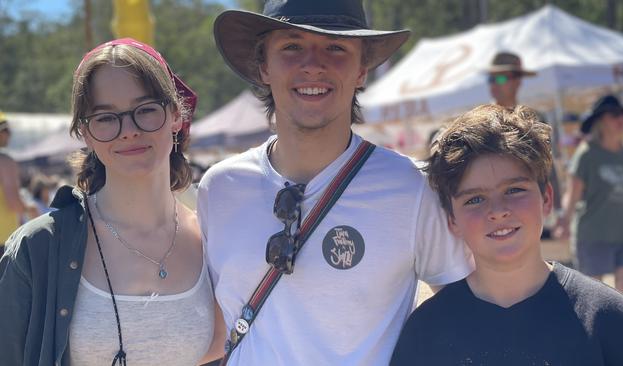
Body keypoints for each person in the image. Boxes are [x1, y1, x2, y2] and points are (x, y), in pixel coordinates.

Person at [198, 1, 474, 365]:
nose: (313, 64)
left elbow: (460, 312)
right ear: (264, 66)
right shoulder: (219, 189)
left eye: (336, 47)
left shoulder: (412, 188)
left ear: (362, 70)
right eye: (292, 47)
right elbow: (210, 329)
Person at [0, 38, 225, 365]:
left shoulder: (215, 237)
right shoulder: (37, 248)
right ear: (85, 133)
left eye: (146, 110)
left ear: (176, 115)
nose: (128, 130)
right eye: (106, 118)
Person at [391, 104, 623, 365]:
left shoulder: (608, 318)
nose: (498, 211)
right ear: (452, 219)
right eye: (475, 199)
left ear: (546, 199)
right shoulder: (426, 333)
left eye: (514, 190)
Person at [555, 95, 623, 302]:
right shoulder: (587, 154)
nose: (622, 120)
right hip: (593, 235)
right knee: (593, 293)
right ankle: (596, 334)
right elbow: (573, 192)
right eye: (615, 115)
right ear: (601, 121)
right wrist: (564, 222)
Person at [487, 51, 562, 215]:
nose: (493, 84)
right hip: (495, 208)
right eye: (490, 79)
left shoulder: (533, 120)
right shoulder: (481, 121)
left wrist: (558, 210)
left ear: (517, 81)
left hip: (527, 205)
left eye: (499, 78)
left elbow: (547, 165)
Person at [0, 114, 29, 256]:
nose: (10, 135)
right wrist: (31, 209)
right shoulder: (5, 161)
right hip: (3, 238)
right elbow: (14, 203)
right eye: (7, 130)